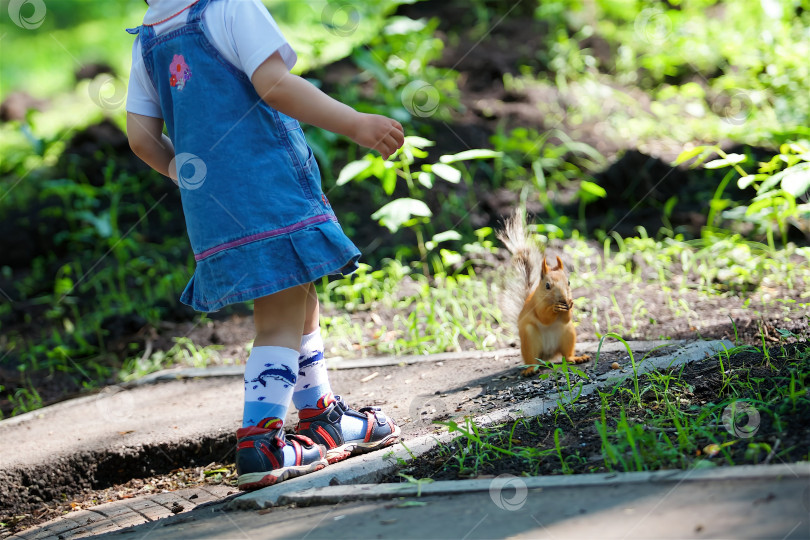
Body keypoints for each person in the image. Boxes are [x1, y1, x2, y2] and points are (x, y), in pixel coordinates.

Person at [125, 0, 404, 490]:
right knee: (278, 315)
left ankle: (322, 415)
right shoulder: (232, 8)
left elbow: (141, 138)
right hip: (267, 190)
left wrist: (185, 174)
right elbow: (274, 84)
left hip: (213, 206)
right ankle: (262, 440)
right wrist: (355, 122)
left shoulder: (147, 39)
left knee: (298, 295)